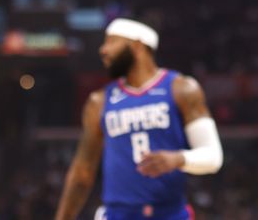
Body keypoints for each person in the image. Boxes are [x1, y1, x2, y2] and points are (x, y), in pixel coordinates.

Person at [55, 18, 223, 220]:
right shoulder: (99, 101)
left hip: (170, 214)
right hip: (118, 215)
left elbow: (213, 156)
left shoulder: (182, 89)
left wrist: (178, 159)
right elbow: (82, 171)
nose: (103, 50)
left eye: (111, 42)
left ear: (136, 46)